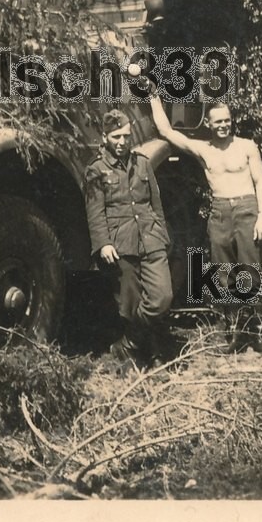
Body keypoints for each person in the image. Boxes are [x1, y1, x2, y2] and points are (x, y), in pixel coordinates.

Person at [149, 95, 262, 354]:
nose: (223, 125)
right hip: (219, 211)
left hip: (247, 208)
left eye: (227, 120)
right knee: (224, 273)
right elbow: (166, 131)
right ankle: (233, 334)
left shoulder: (247, 146)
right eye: (218, 121)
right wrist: (152, 95)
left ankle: (255, 334)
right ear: (208, 123)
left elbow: (261, 182)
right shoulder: (203, 149)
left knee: (251, 272)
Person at [84, 109, 176, 366]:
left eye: (125, 136)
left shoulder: (142, 163)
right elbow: (95, 211)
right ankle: (150, 351)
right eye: (116, 137)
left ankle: (129, 343)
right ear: (105, 138)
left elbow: (156, 203)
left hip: (151, 239)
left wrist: (162, 235)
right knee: (130, 303)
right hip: (121, 243)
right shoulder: (96, 170)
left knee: (161, 298)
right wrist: (103, 243)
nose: (123, 142)